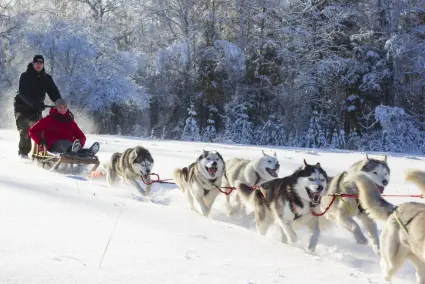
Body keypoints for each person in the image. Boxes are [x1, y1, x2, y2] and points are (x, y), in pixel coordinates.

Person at [14, 54, 62, 159]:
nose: (39, 65)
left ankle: (42, 153)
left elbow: (53, 92)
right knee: (25, 129)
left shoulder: (46, 78)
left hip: (36, 109)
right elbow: (22, 93)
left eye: (41, 63)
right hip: (22, 108)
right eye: (37, 63)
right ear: (33, 63)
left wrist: (59, 102)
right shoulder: (25, 76)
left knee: (41, 130)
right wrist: (35, 104)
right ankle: (24, 153)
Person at [28, 98, 99, 156]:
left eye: (65, 107)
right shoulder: (48, 119)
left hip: (69, 144)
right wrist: (40, 141)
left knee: (69, 145)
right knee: (64, 145)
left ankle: (86, 152)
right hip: (53, 144)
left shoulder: (70, 121)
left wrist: (80, 144)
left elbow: (81, 136)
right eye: (60, 107)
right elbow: (32, 131)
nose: (63, 109)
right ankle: (79, 151)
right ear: (56, 108)